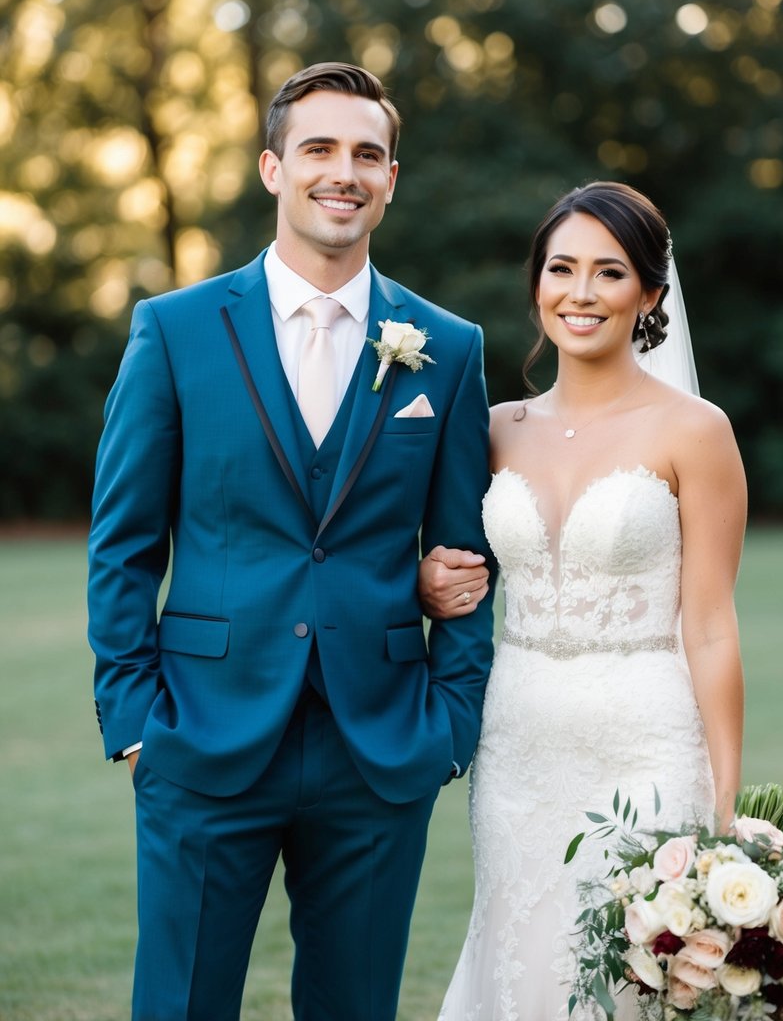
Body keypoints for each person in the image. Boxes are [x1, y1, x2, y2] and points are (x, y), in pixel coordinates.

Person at [87, 61, 496, 1021]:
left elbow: (472, 555)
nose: (341, 172)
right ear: (274, 167)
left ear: (392, 177)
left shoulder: (447, 344)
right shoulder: (175, 330)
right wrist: (136, 722)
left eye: (367, 153)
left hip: (380, 744)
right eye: (318, 149)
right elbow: (123, 544)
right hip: (202, 730)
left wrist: (448, 728)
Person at [421, 181, 746, 1021]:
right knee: (517, 954)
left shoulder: (695, 431)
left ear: (648, 294)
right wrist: (427, 582)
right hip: (518, 744)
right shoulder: (492, 429)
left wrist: (724, 800)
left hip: (645, 739)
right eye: (561, 268)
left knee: (626, 977)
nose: (580, 292)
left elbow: (709, 625)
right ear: (536, 285)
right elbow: (443, 559)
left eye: (608, 272)